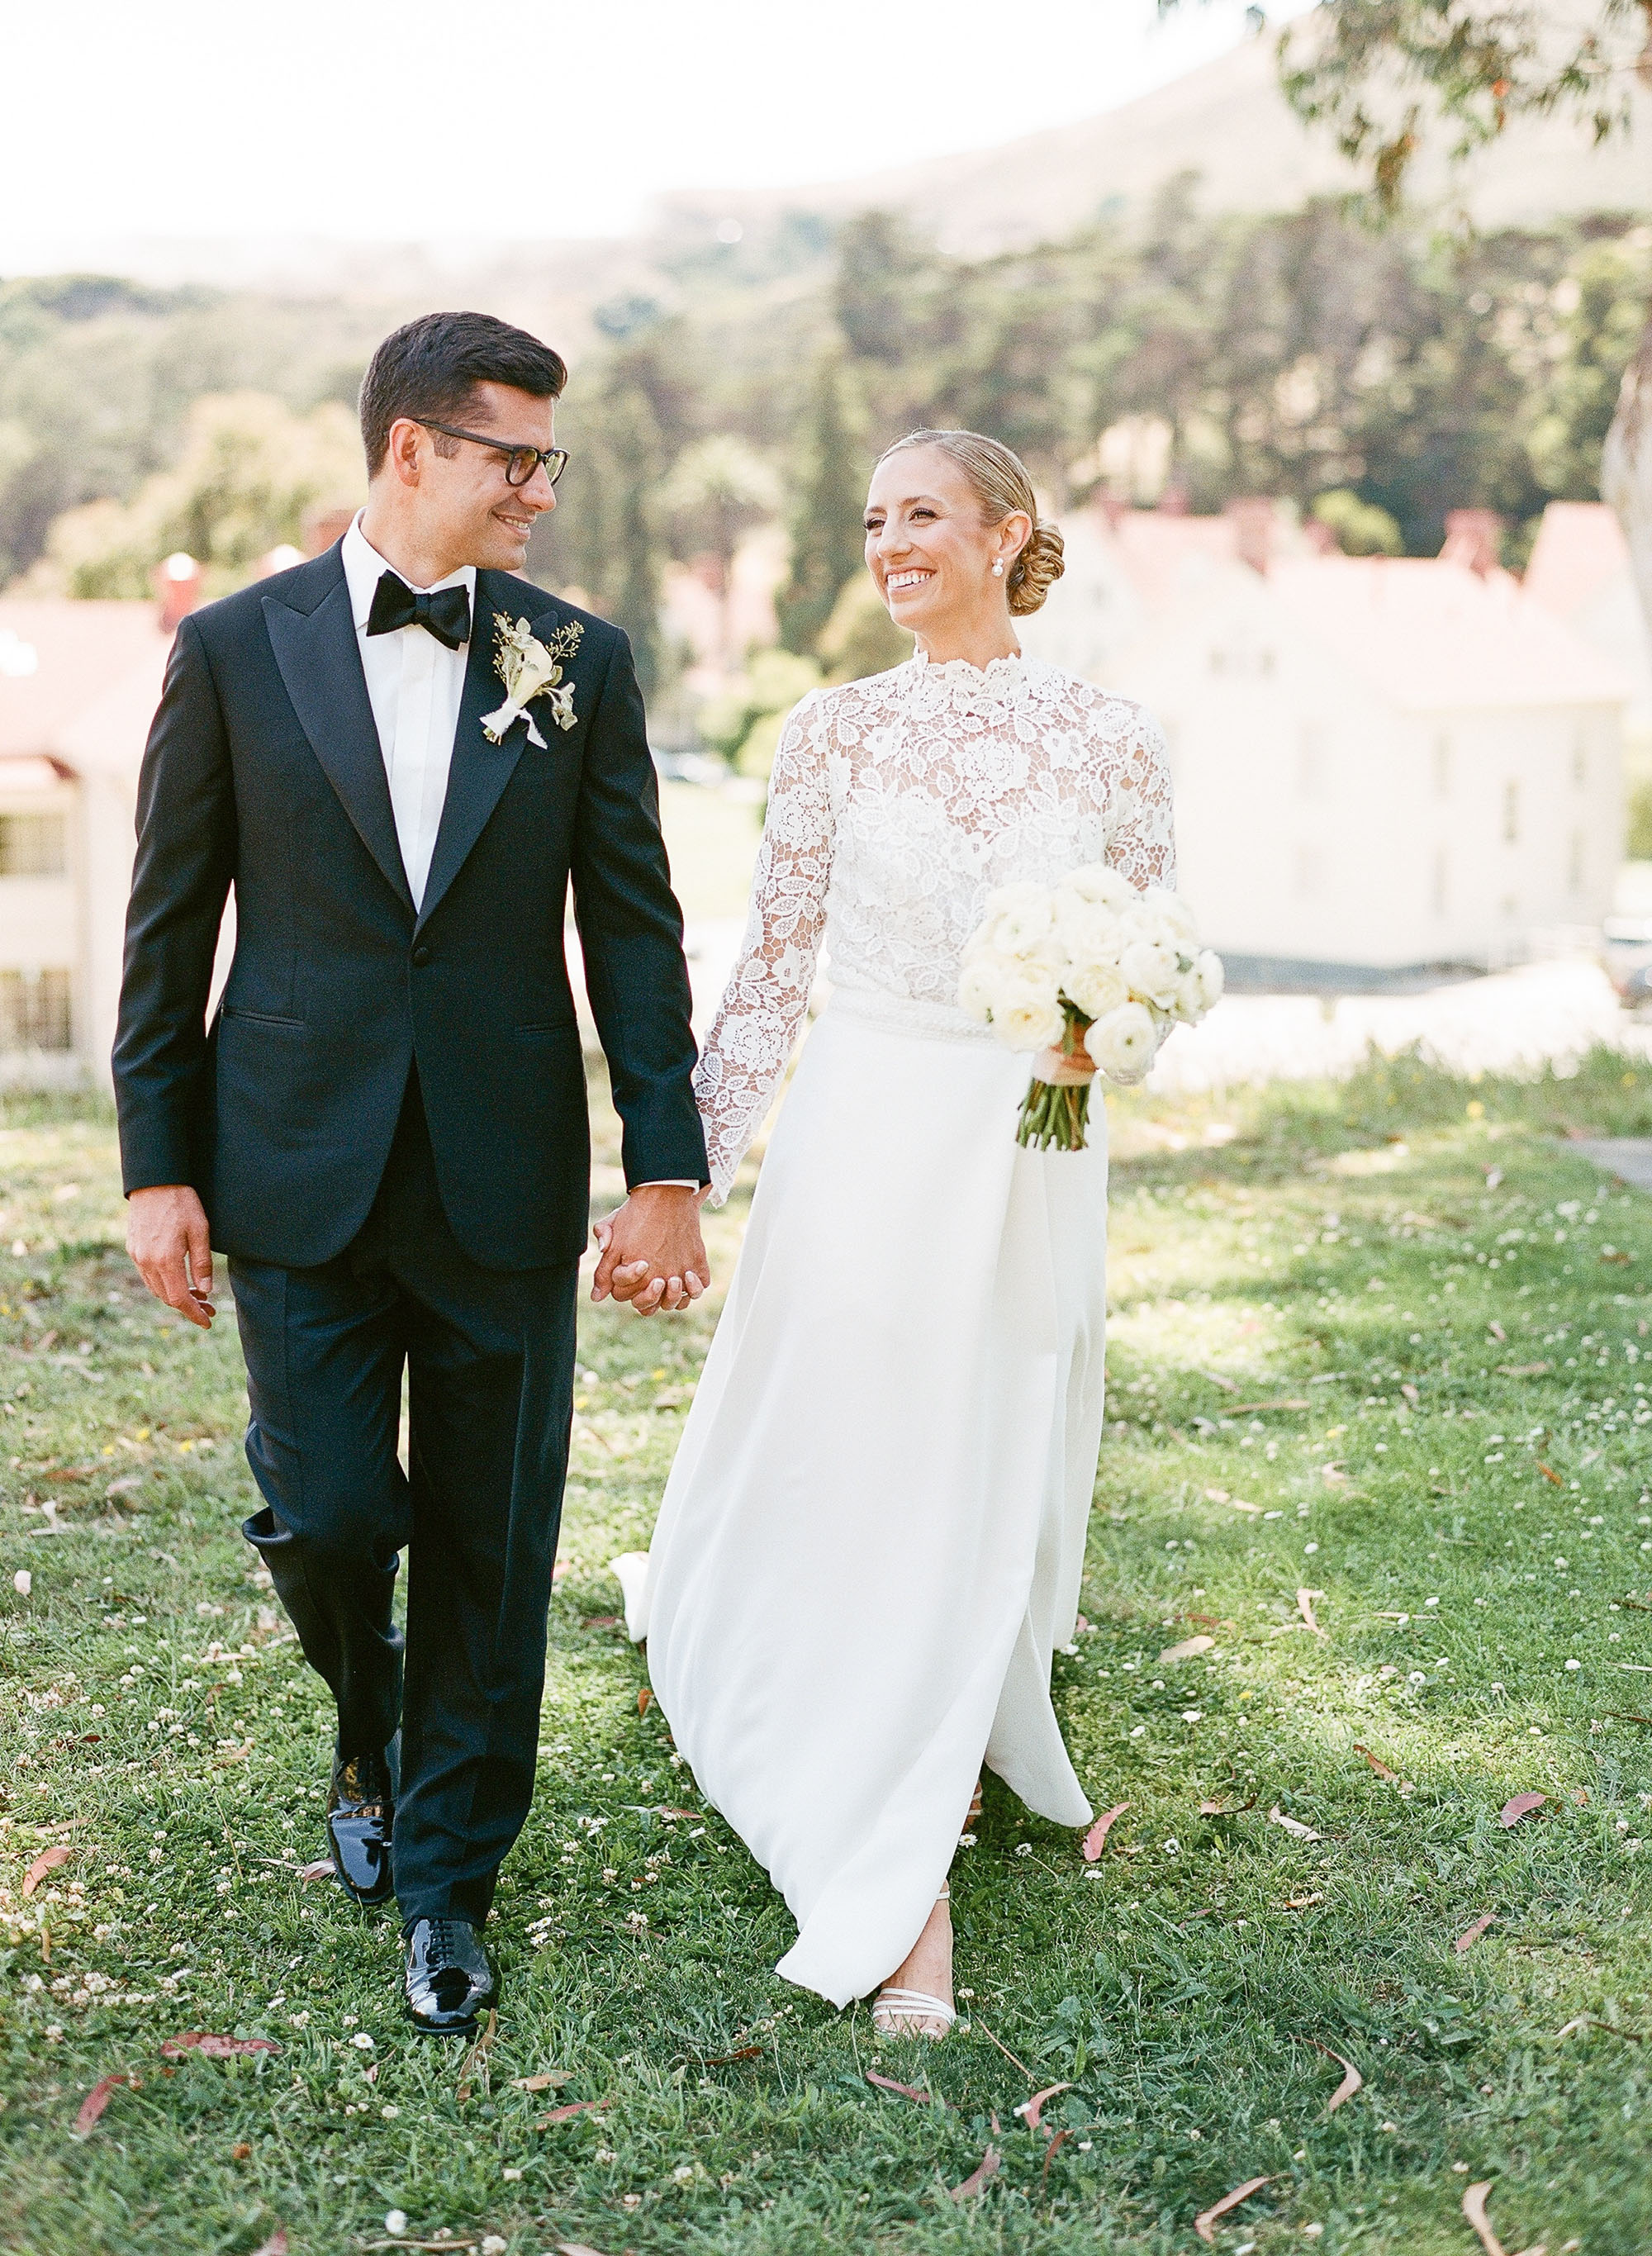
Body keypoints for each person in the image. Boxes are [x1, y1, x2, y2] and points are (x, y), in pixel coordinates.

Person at [113, 310, 710, 2037]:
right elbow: (165, 933)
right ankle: (366, 1720)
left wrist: (662, 1162)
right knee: (335, 1509)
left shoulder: (574, 658)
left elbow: (637, 933)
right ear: (409, 452)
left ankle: (449, 1879)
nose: (539, 488)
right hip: (287, 1161)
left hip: (504, 1170)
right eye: (512, 454)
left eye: (548, 458)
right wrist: (159, 1166)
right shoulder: (235, 649)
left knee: (490, 1536)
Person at [616, 428, 1175, 2037]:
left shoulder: (1110, 737)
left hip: (1031, 1144)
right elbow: (773, 970)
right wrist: (683, 1178)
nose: (889, 542)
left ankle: (955, 1698)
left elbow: (1150, 949)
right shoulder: (831, 733)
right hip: (864, 1139)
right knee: (867, 1444)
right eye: (872, 520)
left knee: (982, 1433)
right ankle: (890, 1852)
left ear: (1006, 533)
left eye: (920, 513)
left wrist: (1097, 1037)